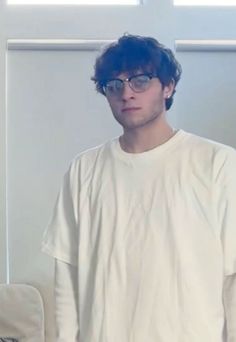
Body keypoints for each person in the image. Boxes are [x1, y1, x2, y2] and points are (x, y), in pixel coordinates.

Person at [41, 34, 236, 342]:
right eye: (114, 85)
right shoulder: (84, 169)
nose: (127, 94)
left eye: (140, 81)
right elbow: (67, 274)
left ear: (168, 86)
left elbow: (232, 280)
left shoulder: (218, 164)